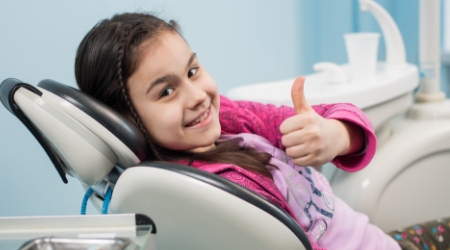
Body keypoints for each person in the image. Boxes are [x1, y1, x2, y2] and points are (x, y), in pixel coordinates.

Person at [74, 12, 448, 250]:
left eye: (192, 71)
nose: (197, 96)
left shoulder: (225, 121)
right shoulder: (219, 189)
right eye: (166, 91)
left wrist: (335, 134)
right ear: (126, 119)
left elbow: (332, 114)